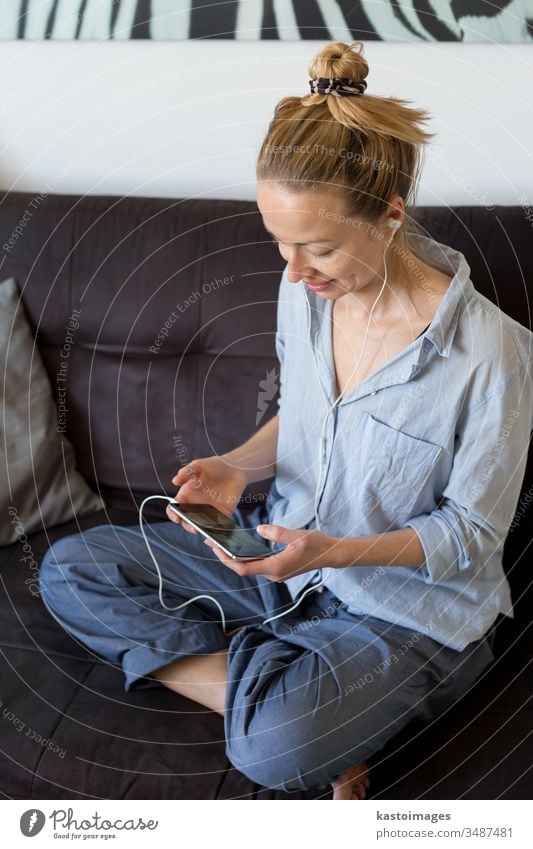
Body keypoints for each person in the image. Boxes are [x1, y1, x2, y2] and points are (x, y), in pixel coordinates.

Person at [39, 41, 533, 801]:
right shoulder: (303, 290)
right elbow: (303, 418)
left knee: (273, 747)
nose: (295, 270)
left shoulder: (492, 352)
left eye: (319, 247)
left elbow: (470, 533)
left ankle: (290, 701)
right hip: (278, 557)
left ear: (389, 216)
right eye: (280, 243)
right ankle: (285, 686)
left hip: (404, 607)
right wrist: (239, 465)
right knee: (72, 569)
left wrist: (334, 551)